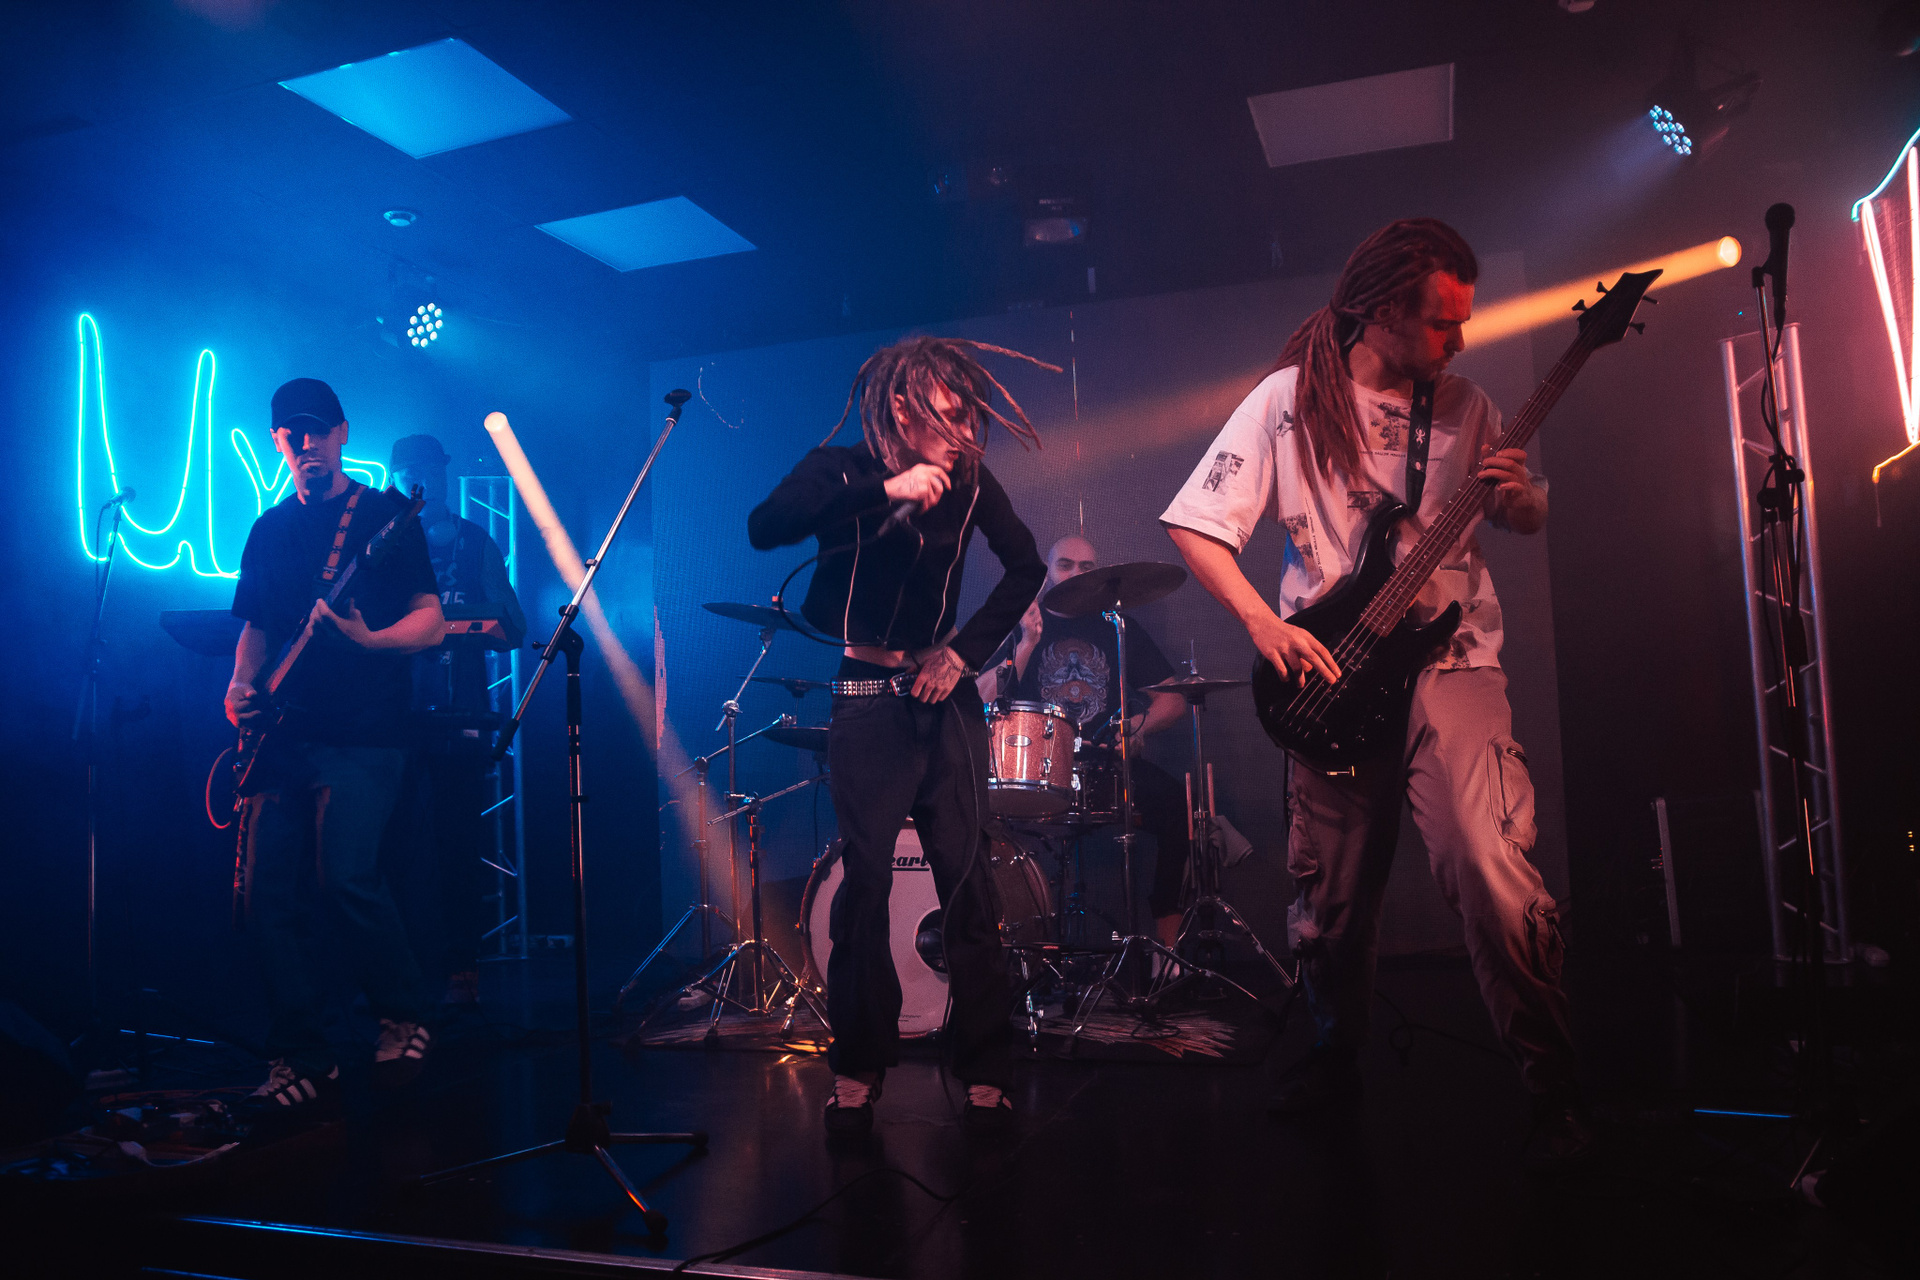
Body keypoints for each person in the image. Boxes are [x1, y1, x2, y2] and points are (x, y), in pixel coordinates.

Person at [1159, 218, 1587, 1159]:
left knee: (1487, 861)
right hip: (1334, 671)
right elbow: (1196, 523)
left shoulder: (1468, 404)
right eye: (1441, 321)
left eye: (1464, 319)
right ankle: (1332, 1052)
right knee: (1335, 902)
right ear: (1382, 310)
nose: (1460, 339)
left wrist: (1520, 498)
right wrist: (1264, 624)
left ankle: (1553, 1083)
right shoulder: (1287, 401)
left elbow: (1523, 512)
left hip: (1451, 656)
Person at [747, 335, 1050, 1134]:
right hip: (866, 696)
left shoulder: (972, 480)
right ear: (903, 407)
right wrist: (886, 487)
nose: (965, 432)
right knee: (865, 890)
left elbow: (1026, 566)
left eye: (970, 416)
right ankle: (857, 1072)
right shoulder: (841, 469)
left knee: (969, 885)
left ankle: (986, 1071)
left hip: (943, 698)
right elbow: (765, 526)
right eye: (950, 415)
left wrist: (962, 654)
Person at [225, 378, 445, 1114]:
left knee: (344, 877)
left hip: (365, 732)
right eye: (293, 434)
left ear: (343, 432)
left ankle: (403, 1014)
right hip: (283, 735)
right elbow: (255, 626)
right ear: (277, 442)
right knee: (262, 897)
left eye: (318, 430)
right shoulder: (267, 530)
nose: (306, 444)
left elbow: (431, 621)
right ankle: (301, 1051)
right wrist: (239, 687)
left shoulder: (383, 517)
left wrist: (368, 640)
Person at [976, 534, 1192, 946]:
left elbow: (1174, 700)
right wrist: (1027, 643)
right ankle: (997, 942)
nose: (1076, 574)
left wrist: (1137, 726)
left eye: (1087, 567)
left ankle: (1167, 952)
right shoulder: (1024, 622)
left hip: (1106, 765)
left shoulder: (1117, 626)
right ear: (1047, 573)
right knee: (970, 812)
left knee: (1179, 809)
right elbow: (979, 698)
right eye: (1066, 565)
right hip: (1034, 768)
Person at [382, 434, 526, 1007]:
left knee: (459, 844)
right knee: (389, 845)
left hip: (458, 718)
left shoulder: (474, 541)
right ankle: (396, 974)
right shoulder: (380, 545)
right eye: (412, 471)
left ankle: (462, 970)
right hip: (390, 719)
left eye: (433, 469)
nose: (424, 480)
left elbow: (513, 628)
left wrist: (471, 622)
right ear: (394, 476)